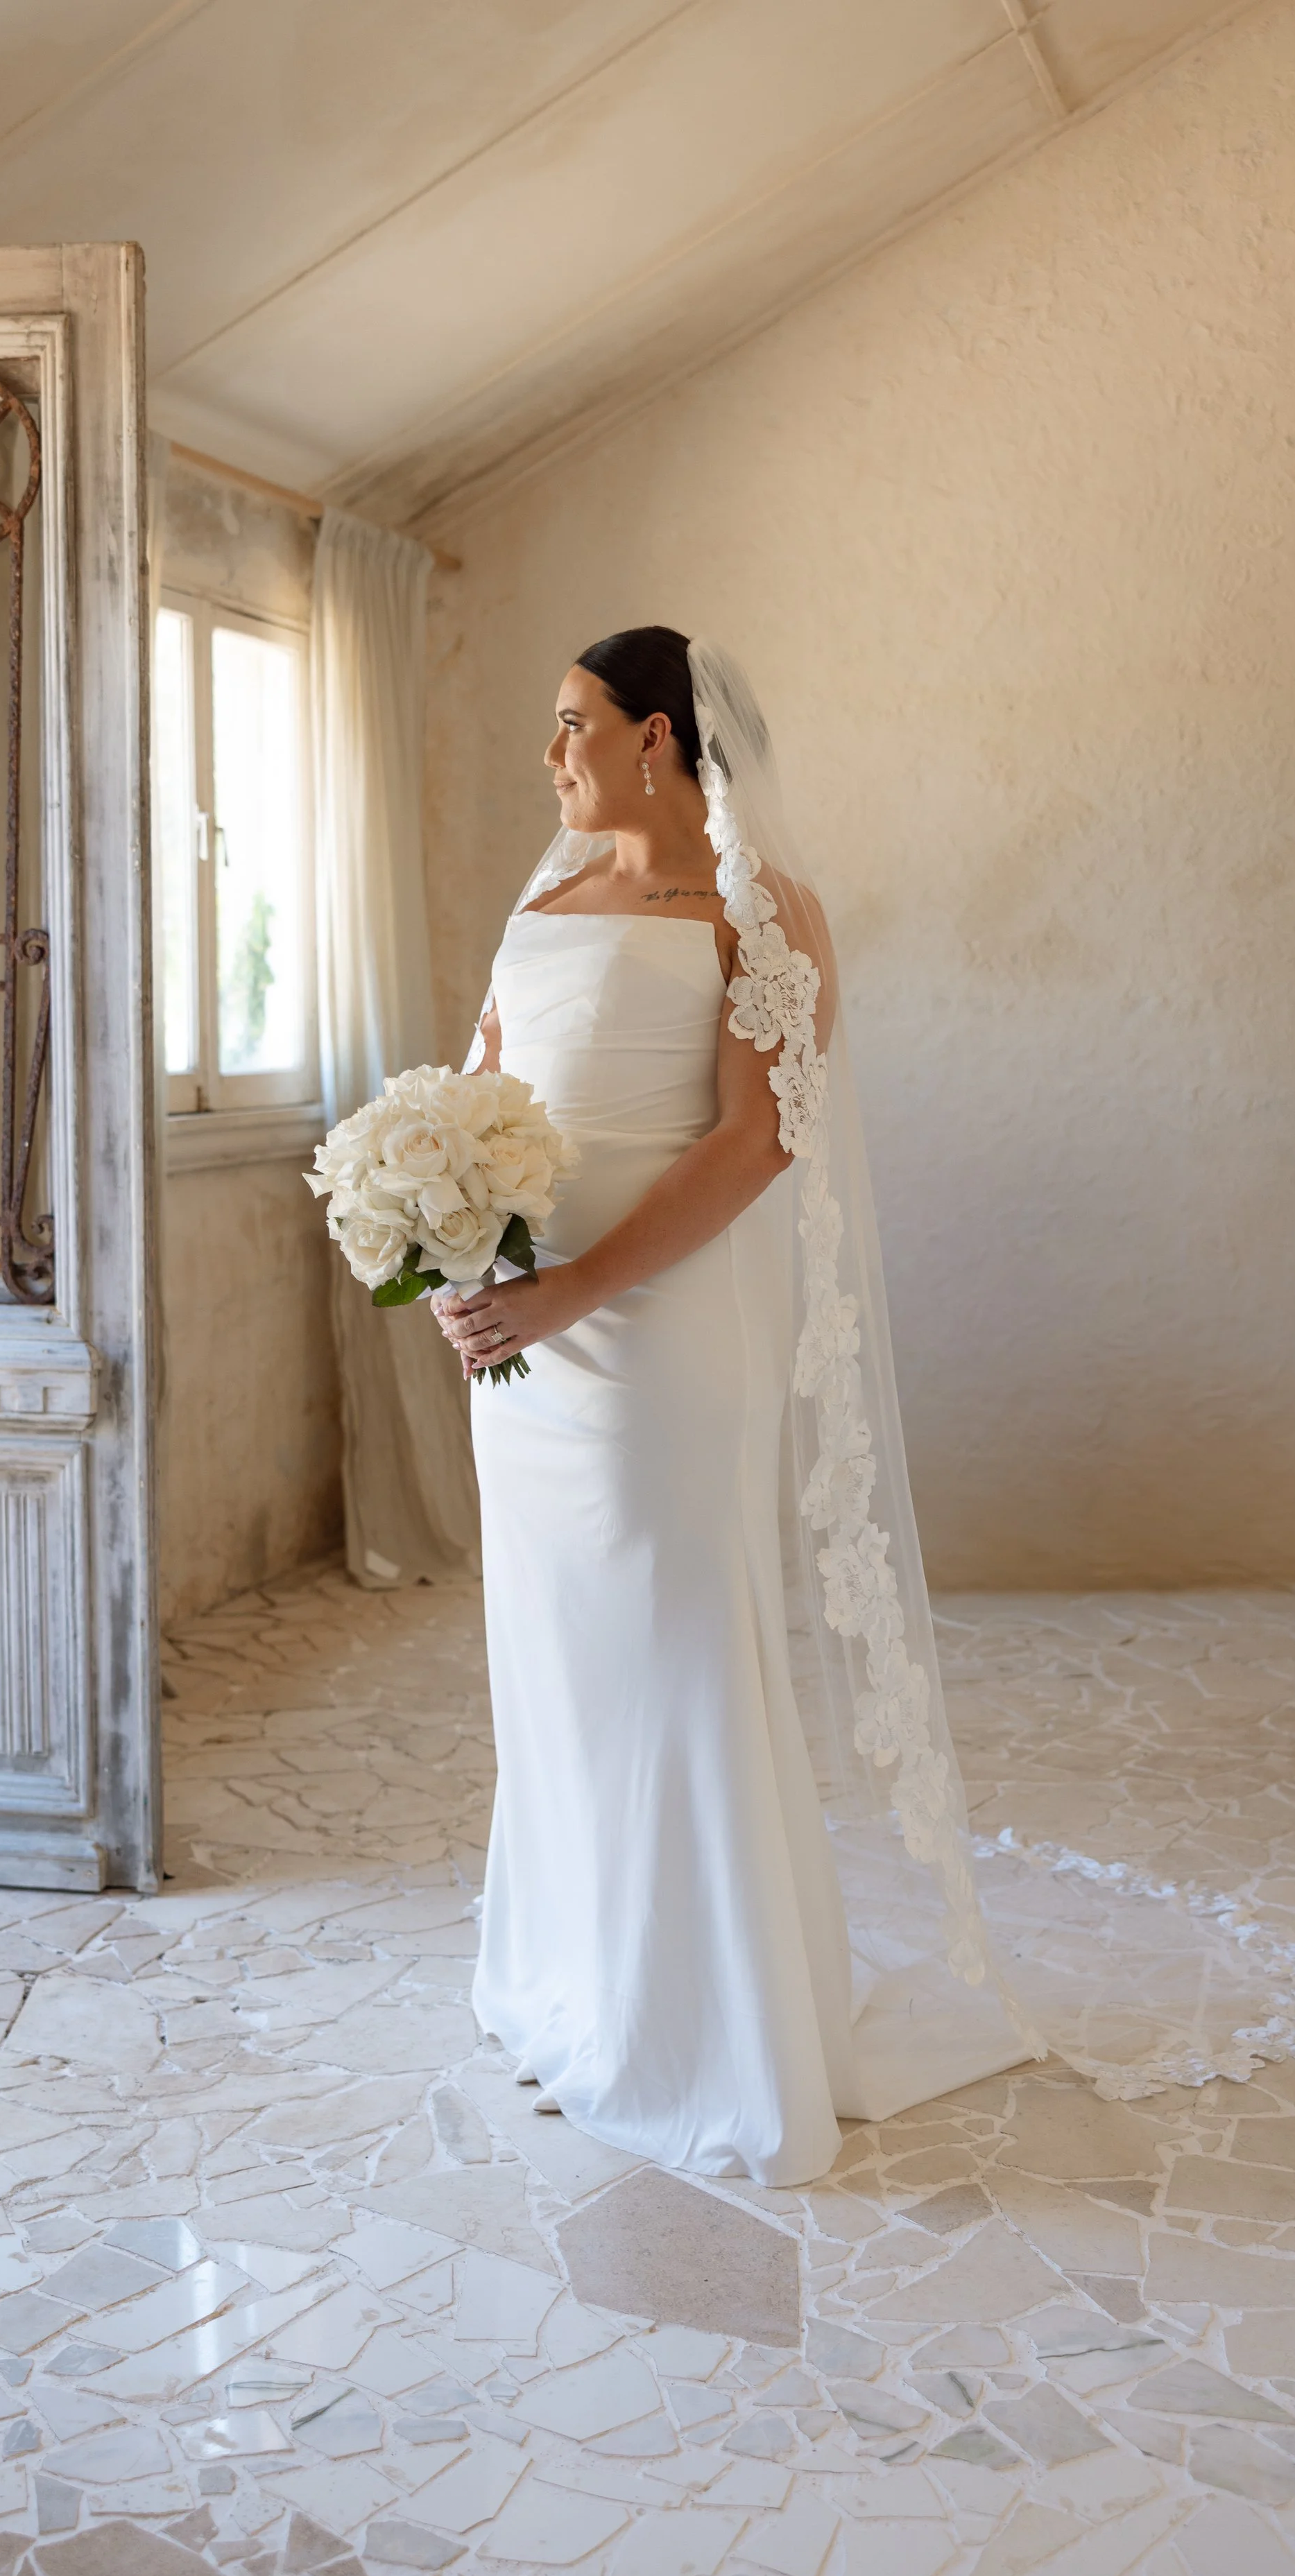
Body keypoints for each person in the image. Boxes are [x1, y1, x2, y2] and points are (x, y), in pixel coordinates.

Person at [434, 629, 1040, 2186]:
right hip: (526, 1341)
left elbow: (754, 1144)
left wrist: (574, 1289)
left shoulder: (762, 914)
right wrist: (456, 1245)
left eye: (571, 725)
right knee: (557, 1647)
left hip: (660, 1337)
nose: (549, 756)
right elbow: (483, 1094)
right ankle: (576, 1978)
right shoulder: (543, 900)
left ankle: (698, 2028)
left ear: (656, 738)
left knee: (672, 1636)